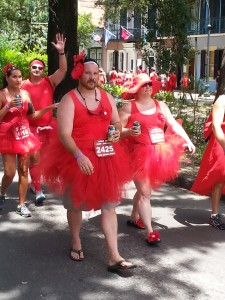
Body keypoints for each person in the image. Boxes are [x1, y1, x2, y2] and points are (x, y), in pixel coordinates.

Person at [40, 51, 136, 271]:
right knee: (76, 205)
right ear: (79, 75)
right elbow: (64, 134)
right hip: (77, 157)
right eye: (88, 73)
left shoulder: (107, 97)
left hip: (106, 157)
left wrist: (115, 132)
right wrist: (79, 155)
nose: (92, 77)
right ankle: (76, 241)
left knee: (109, 206)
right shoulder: (69, 99)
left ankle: (114, 256)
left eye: (95, 74)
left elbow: (116, 125)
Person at [119, 73, 195, 245]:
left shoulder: (160, 104)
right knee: (146, 193)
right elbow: (116, 130)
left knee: (144, 190)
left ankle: (133, 217)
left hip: (159, 153)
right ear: (137, 89)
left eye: (149, 85)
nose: (147, 87)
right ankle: (150, 232)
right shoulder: (128, 108)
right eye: (144, 85)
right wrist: (129, 132)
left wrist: (188, 140)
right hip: (137, 154)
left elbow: (173, 124)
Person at [0, 64, 57, 216]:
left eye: (19, 76)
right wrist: (8, 106)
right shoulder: (2, 95)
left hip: (24, 135)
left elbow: (32, 115)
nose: (18, 79)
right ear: (7, 78)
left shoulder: (25, 94)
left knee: (24, 171)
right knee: (9, 173)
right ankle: (2, 192)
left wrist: (49, 108)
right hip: (7, 136)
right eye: (14, 76)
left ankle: (21, 205)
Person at [22, 33, 67, 205]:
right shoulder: (23, 85)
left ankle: (36, 182)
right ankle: (38, 188)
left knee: (49, 159)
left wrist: (61, 53)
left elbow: (63, 70)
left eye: (40, 68)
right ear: (30, 69)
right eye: (34, 67)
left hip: (49, 127)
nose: (37, 70)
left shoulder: (49, 81)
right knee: (35, 158)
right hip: (30, 128)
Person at [191, 94, 225, 230]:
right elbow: (216, 126)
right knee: (220, 178)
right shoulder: (222, 100)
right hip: (221, 141)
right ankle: (214, 215)